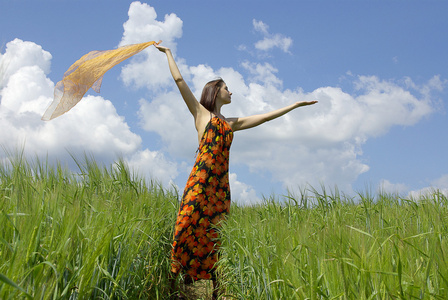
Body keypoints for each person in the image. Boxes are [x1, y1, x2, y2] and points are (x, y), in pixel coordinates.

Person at [155, 44, 317, 299]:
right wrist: (168, 53)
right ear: (215, 91)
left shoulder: (231, 123)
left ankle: (217, 293)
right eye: (227, 88)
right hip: (200, 183)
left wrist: (294, 105)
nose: (231, 91)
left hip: (220, 188)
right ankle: (172, 286)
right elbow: (178, 80)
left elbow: (263, 118)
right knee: (184, 227)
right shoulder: (201, 115)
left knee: (216, 236)